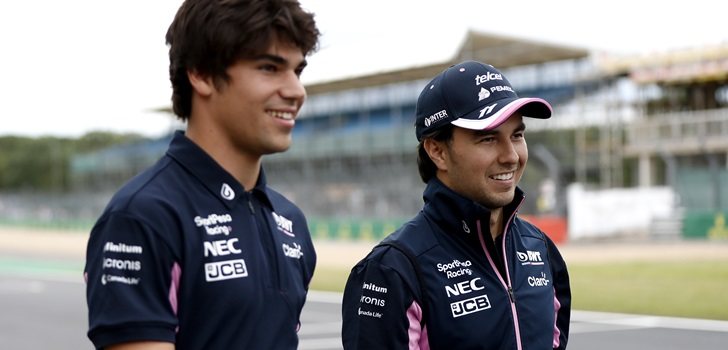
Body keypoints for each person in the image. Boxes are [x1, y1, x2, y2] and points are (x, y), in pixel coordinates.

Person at [84, 0, 320, 349]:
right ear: (202, 73)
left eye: (297, 71)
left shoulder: (290, 221)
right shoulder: (143, 217)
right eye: (270, 68)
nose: (296, 91)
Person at [342, 60, 571, 349]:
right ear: (437, 150)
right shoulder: (393, 270)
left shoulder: (541, 249)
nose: (511, 156)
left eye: (517, 135)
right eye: (488, 138)